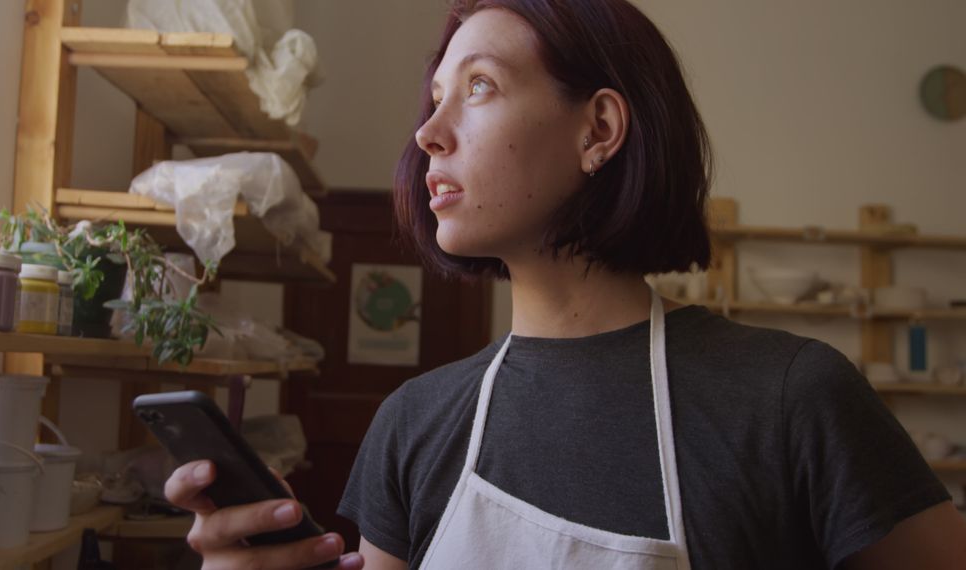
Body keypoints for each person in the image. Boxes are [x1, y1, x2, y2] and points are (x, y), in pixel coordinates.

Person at [165, 1, 966, 568]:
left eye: (477, 86)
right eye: (435, 97)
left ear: (599, 130)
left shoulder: (794, 399)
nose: (428, 132)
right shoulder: (412, 424)